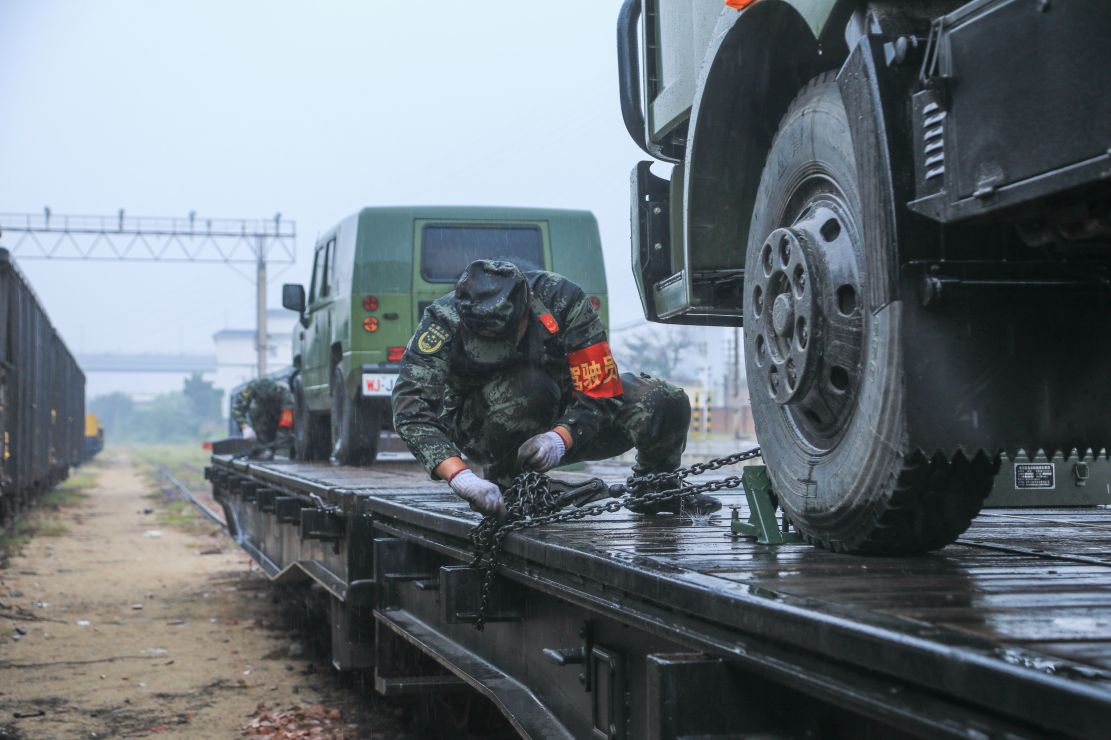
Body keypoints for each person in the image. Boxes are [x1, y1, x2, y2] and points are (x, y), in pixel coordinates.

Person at [391, 259, 721, 518]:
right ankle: (511, 485)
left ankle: (655, 489)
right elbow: (410, 408)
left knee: (664, 401)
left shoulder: (562, 300)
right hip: (487, 425)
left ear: (524, 309)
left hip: (574, 417)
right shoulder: (442, 322)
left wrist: (560, 438)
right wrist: (459, 476)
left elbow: (600, 386)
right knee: (532, 387)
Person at [231, 377, 295, 460]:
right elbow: (237, 408)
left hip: (279, 417)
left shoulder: (284, 391)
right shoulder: (252, 387)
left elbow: (286, 420)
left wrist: (277, 442)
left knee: (287, 433)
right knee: (255, 411)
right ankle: (260, 448)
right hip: (263, 416)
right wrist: (245, 427)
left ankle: (272, 448)